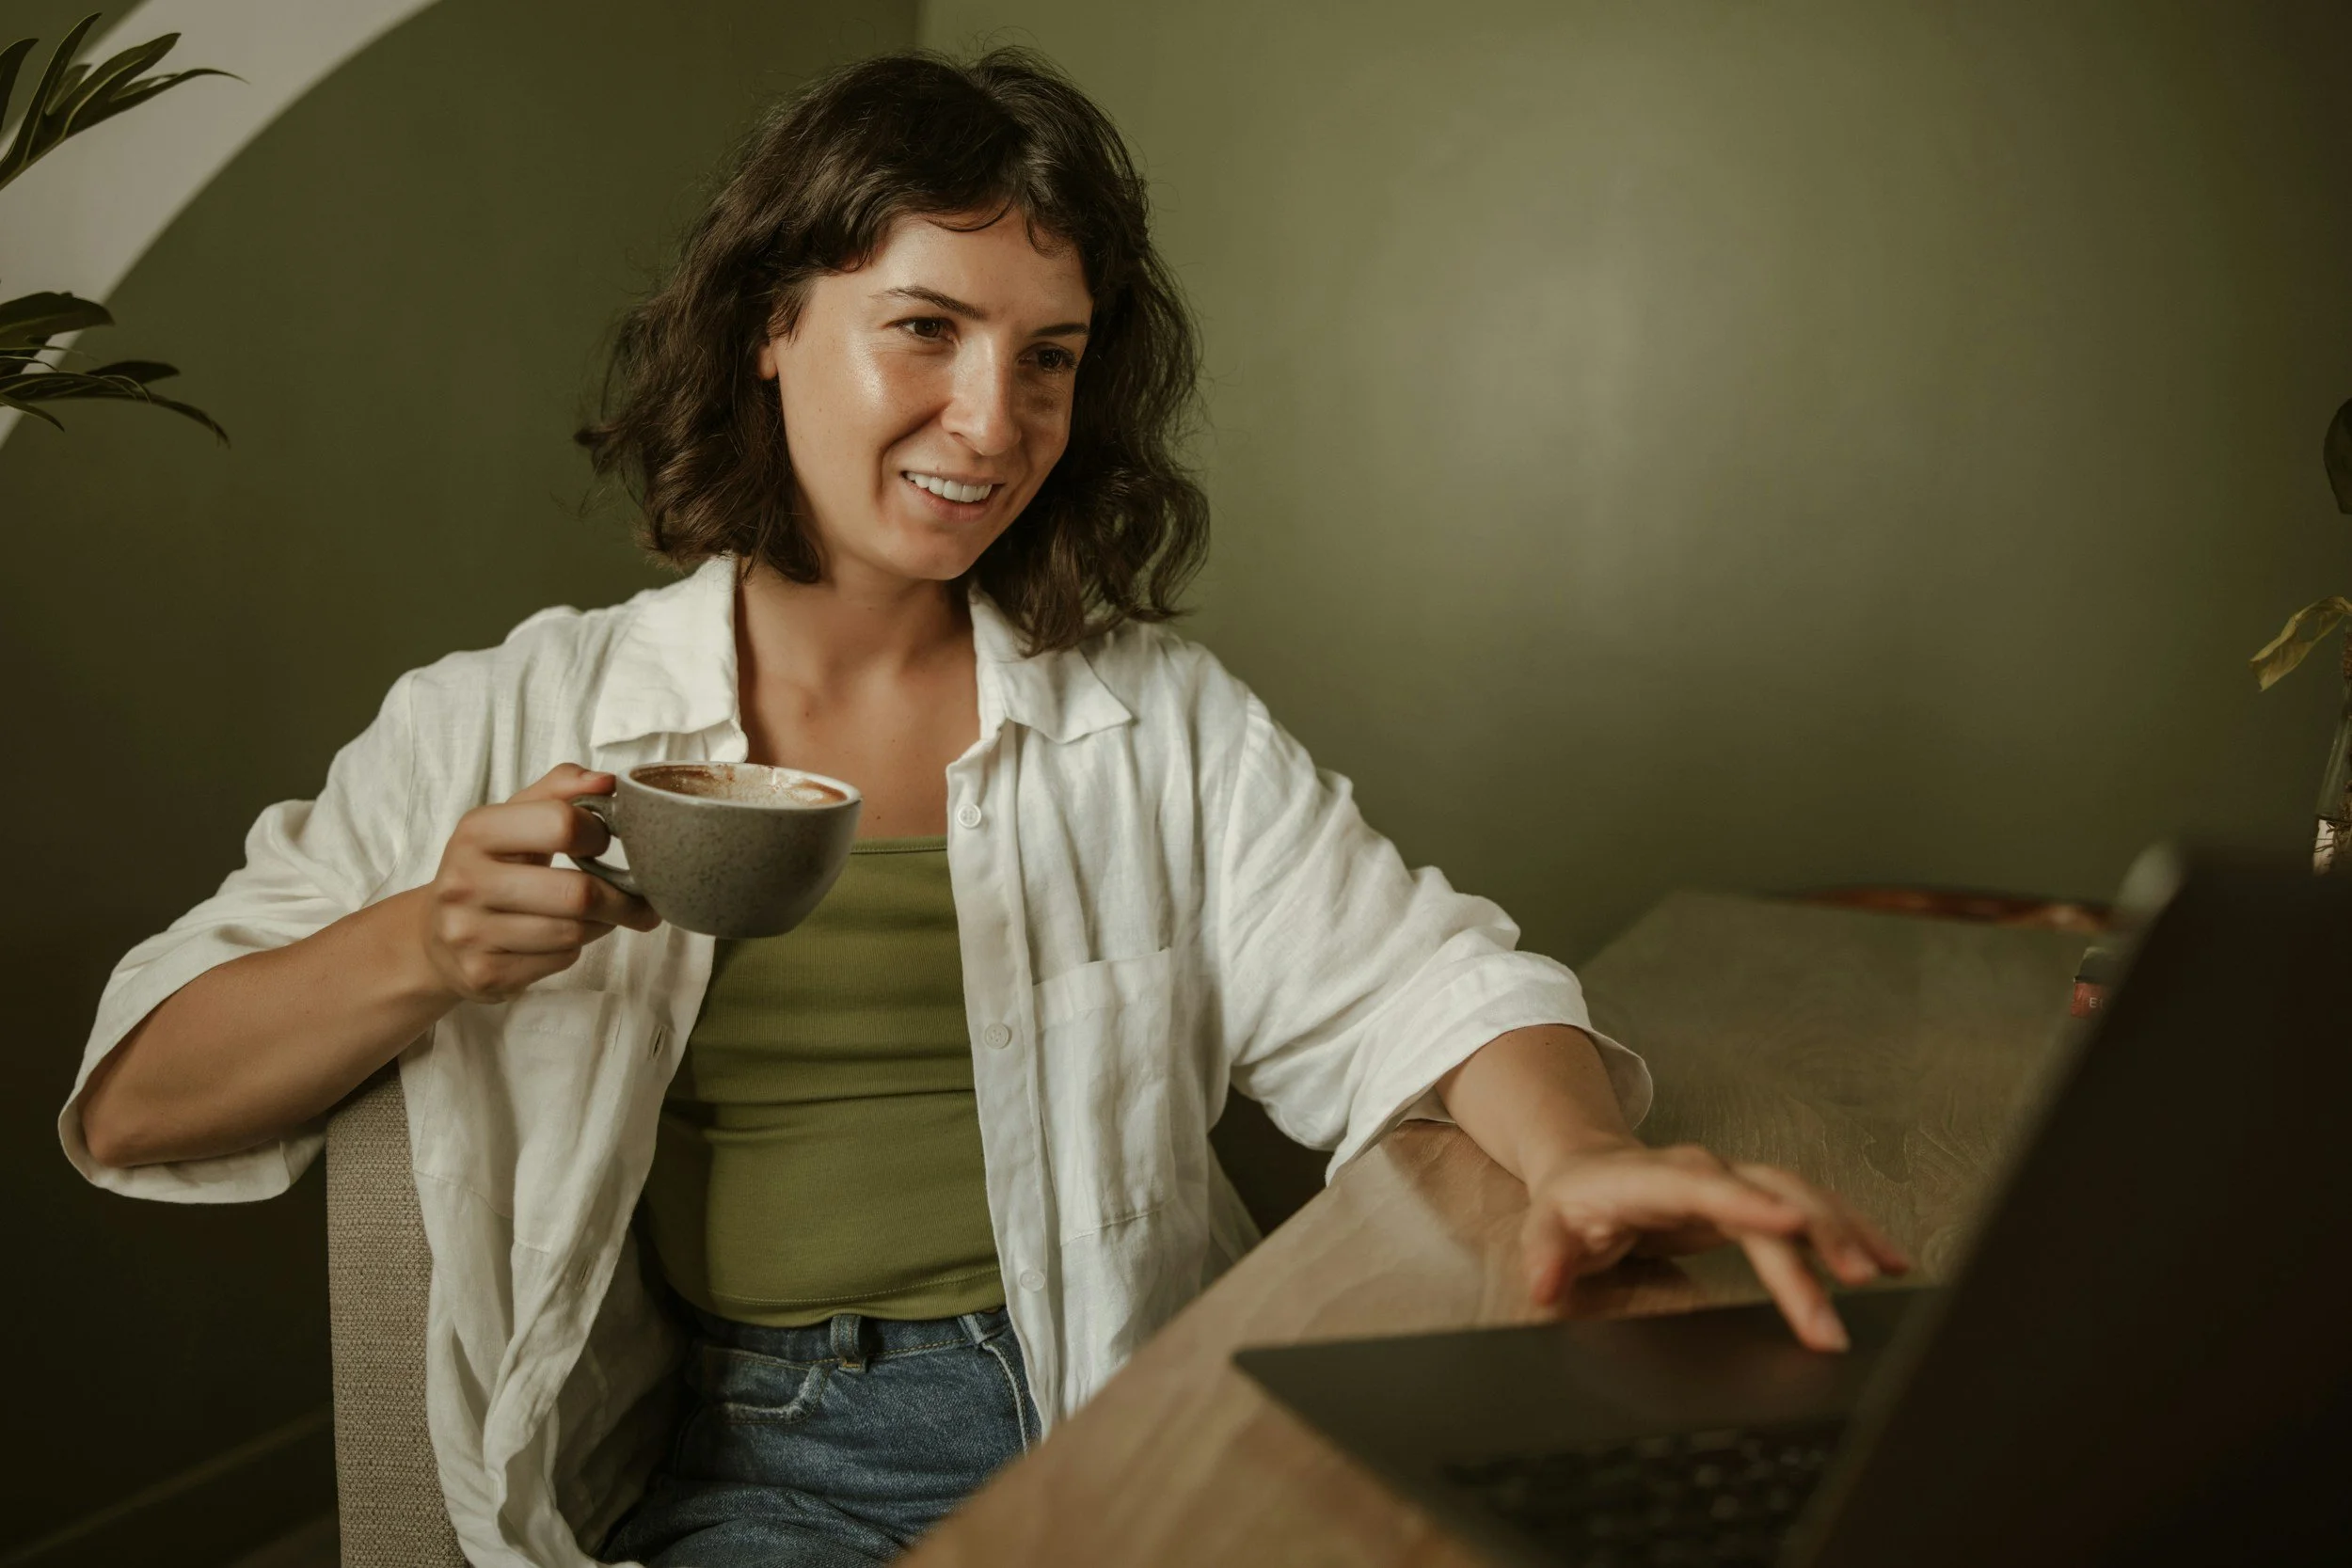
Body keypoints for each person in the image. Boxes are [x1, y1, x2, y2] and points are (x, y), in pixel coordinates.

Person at [61, 47, 1907, 1568]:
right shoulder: (515, 715)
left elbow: (1418, 979)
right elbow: (138, 1093)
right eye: (924, 328)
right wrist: (421, 942)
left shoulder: (1151, 719)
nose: (989, 415)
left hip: (1164, 1399)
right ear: (771, 324)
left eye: (1048, 354)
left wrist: (1575, 1155)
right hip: (781, 1462)